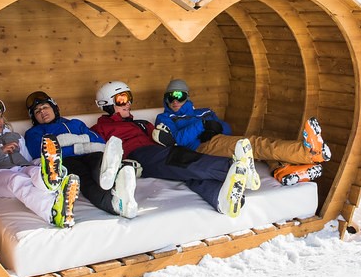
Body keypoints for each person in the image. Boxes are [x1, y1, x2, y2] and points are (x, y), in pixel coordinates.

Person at [90, 80, 256, 218]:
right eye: (121, 100)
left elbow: (163, 139)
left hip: (157, 153)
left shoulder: (142, 123)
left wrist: (164, 138)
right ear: (107, 104)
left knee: (185, 171)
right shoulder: (100, 129)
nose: (128, 103)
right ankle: (233, 169)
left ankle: (219, 198)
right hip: (139, 156)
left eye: (129, 98)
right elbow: (103, 154)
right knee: (180, 159)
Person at [154, 79, 330, 186]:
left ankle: (283, 170)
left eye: (179, 96)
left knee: (259, 147)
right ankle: (309, 153)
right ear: (166, 98)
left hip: (219, 139)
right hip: (202, 147)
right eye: (171, 97)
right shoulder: (164, 118)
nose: (175, 101)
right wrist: (202, 125)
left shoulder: (204, 111)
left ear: (187, 97)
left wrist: (215, 127)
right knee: (255, 145)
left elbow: (226, 128)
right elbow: (178, 140)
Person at [0, 97, 79, 228]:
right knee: (17, 180)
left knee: (35, 171)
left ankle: (52, 179)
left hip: (21, 168)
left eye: (1, 117)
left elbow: (27, 161)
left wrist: (38, 164)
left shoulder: (15, 136)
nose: (0, 122)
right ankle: (53, 212)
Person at [23, 91, 137, 219]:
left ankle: (109, 174)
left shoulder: (75, 123)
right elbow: (40, 151)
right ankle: (113, 203)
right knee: (83, 178)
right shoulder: (33, 132)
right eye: (37, 111)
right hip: (66, 159)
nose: (42, 112)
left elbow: (98, 140)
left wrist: (62, 142)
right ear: (34, 117)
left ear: (54, 108)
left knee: (98, 160)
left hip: (90, 153)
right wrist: (79, 144)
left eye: (45, 107)